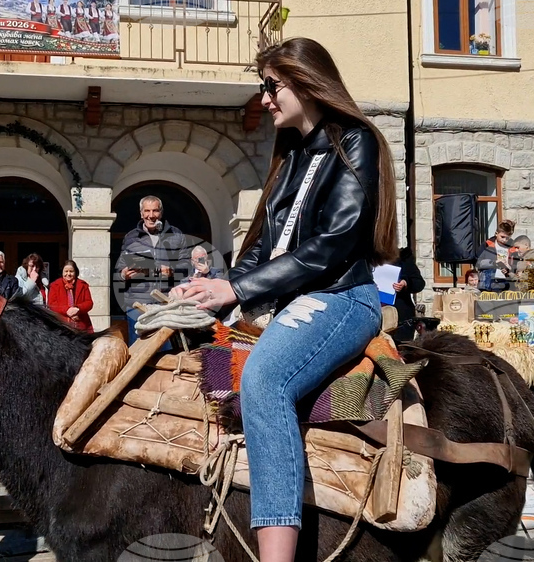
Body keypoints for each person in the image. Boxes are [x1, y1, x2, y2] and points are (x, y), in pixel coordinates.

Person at [171, 37, 399, 561]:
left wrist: (238, 289)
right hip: (293, 303)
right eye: (263, 88)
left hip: (343, 297)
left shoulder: (355, 139)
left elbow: (335, 242)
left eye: (272, 87)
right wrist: (213, 292)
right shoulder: (290, 156)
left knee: (264, 379)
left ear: (305, 80)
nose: (265, 99)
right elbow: (260, 249)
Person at [114, 195, 189, 344]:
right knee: (137, 352)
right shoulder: (131, 237)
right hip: (137, 304)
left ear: (161, 212)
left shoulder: (176, 234)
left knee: (166, 351)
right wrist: (123, 274)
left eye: (155, 211)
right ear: (141, 213)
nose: (151, 215)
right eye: (147, 211)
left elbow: (187, 266)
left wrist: (172, 271)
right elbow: (119, 268)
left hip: (166, 303)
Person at [390, 247, 425, 344]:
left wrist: (405, 283)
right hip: (374, 314)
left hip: (400, 316)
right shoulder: (368, 258)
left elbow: (419, 283)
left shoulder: (403, 258)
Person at [47, 260, 93, 332]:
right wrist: (67, 310)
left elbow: (89, 303)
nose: (68, 274)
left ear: (75, 272)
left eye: (71, 271)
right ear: (62, 272)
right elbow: (51, 304)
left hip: (81, 324)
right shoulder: (54, 285)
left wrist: (78, 309)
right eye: (66, 271)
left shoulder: (83, 285)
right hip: (61, 325)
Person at [476, 220, 517, 292]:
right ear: (496, 233)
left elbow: (516, 266)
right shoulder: (487, 245)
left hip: (505, 284)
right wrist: (494, 263)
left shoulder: (512, 248)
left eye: (507, 238)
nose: (504, 240)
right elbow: (478, 263)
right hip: (488, 283)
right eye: (502, 237)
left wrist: (508, 269)